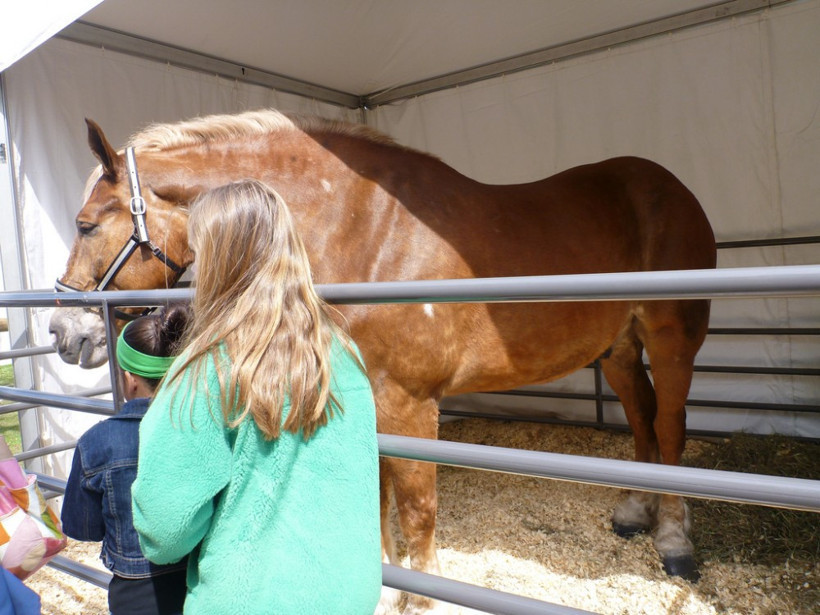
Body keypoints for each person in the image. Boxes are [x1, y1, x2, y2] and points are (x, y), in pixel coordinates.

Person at [131, 180, 381, 615]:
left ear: (216, 263)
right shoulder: (342, 352)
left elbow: (164, 533)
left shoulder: (203, 372)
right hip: (349, 595)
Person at [62, 304, 190, 615]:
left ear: (129, 378)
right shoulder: (201, 430)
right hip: (195, 580)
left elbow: (82, 529)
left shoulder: (96, 443)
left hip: (134, 593)